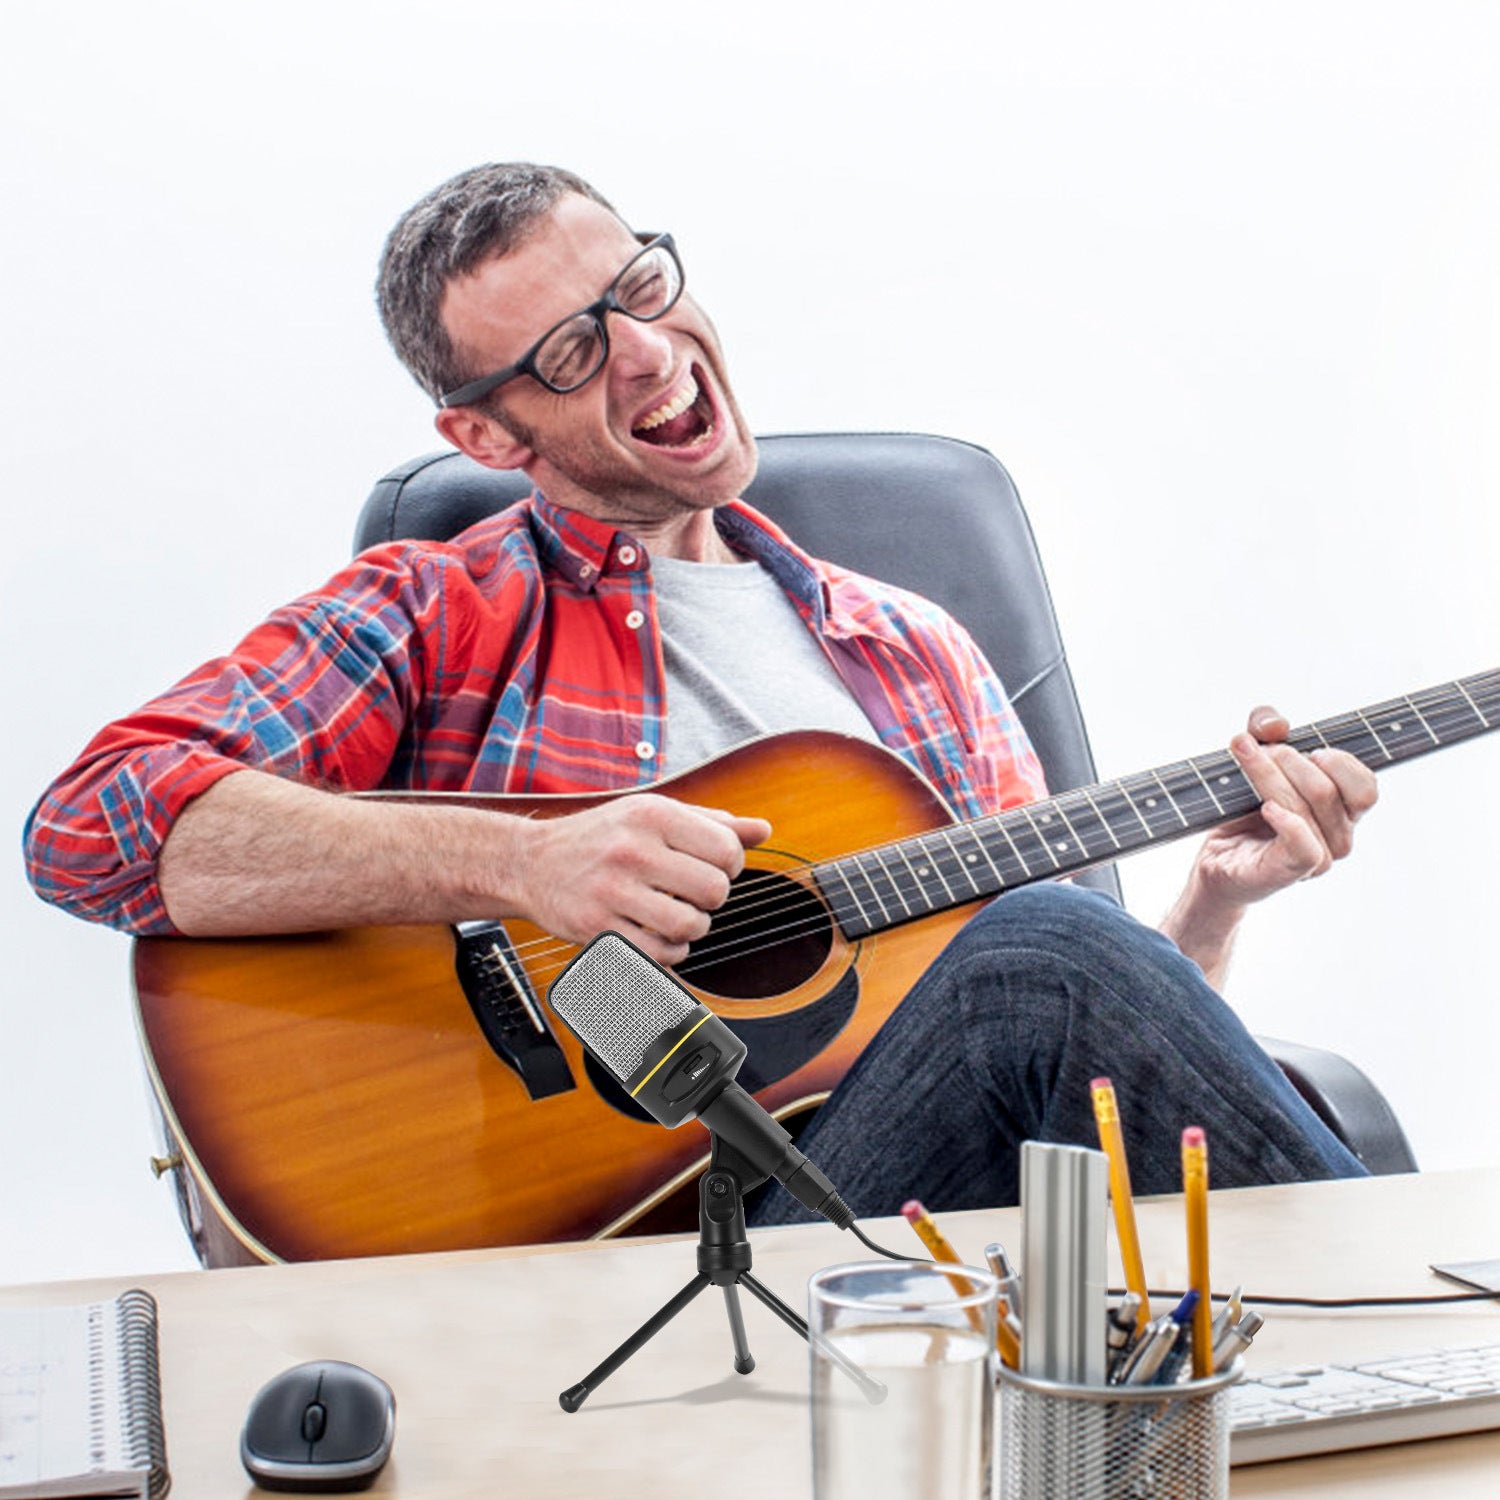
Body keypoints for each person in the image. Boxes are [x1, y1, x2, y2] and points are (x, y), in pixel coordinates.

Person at [24, 162, 1377, 1225]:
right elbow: (92, 825)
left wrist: (1207, 907)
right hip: (609, 1227)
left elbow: (1093, 1052)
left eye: (643, 287)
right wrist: (525, 863)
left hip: (907, 1226)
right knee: (1045, 950)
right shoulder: (433, 610)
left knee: (1047, 946)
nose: (648, 353)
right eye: (569, 354)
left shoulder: (915, 649)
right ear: (489, 438)